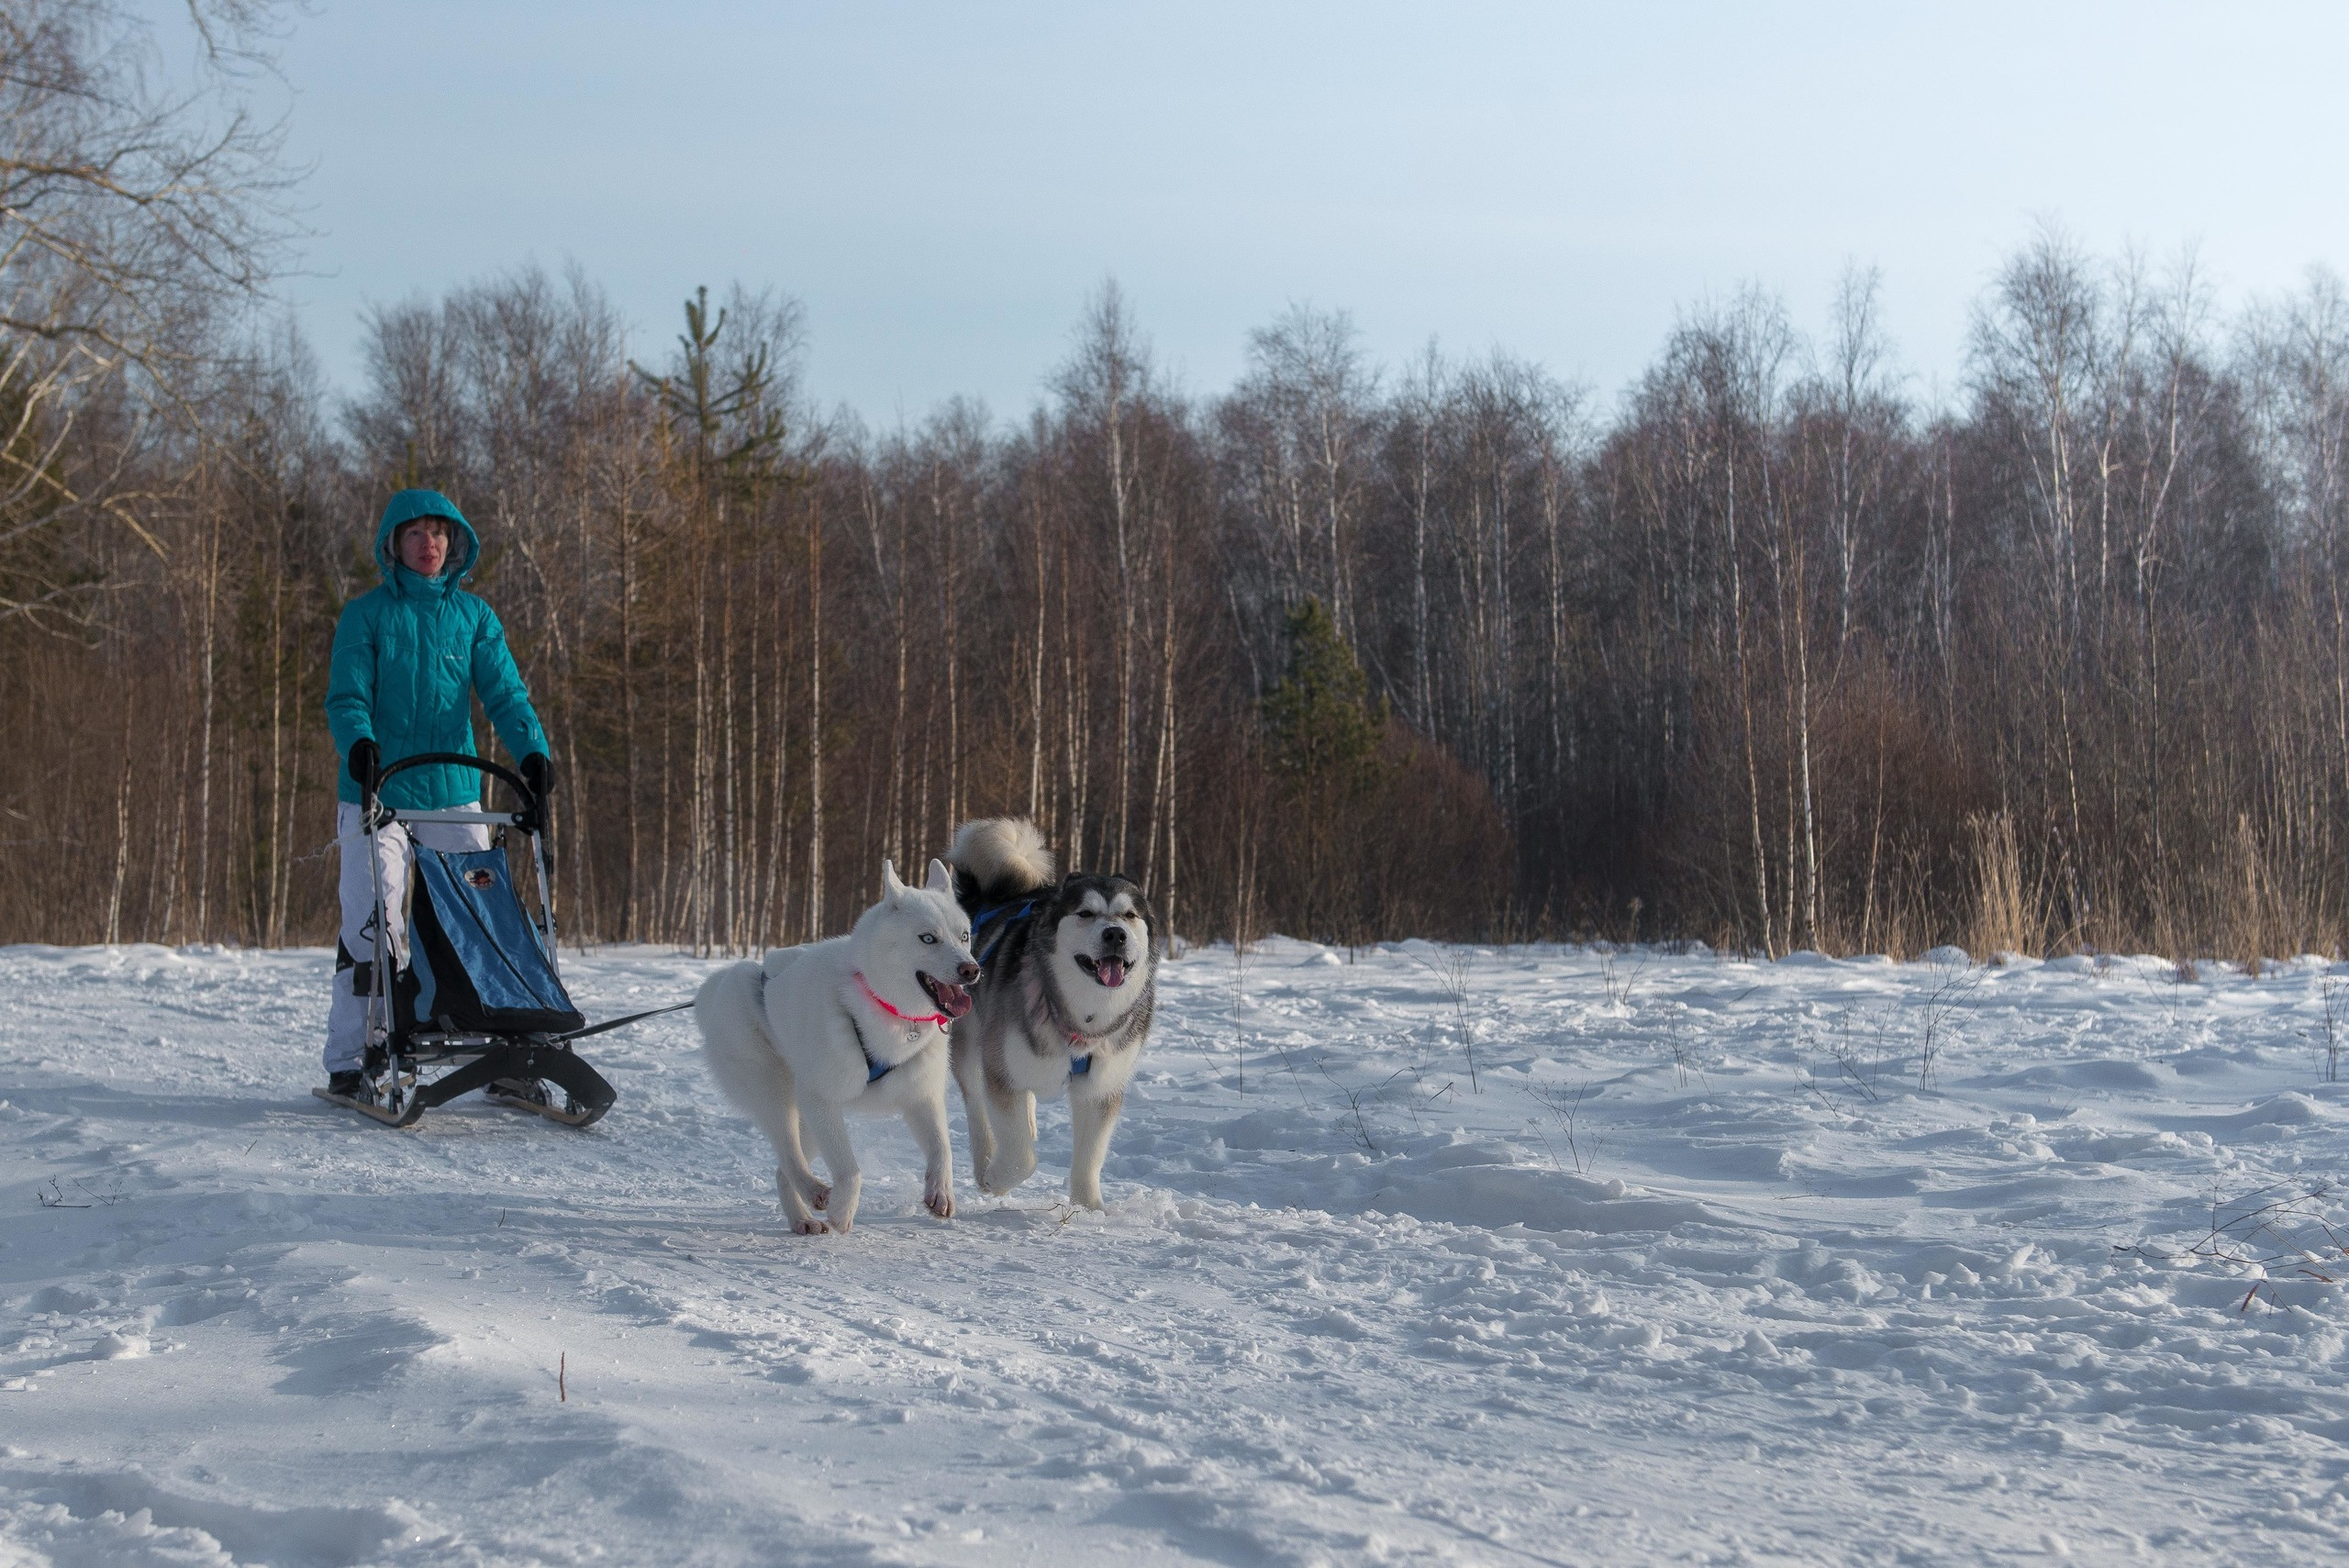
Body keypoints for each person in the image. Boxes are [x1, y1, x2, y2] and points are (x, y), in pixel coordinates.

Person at [321, 488, 553, 1099]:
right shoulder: (365, 615)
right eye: (417, 534)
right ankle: (355, 1053)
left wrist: (533, 753)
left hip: (452, 786)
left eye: (440, 534)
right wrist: (360, 744)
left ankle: (501, 1043)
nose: (430, 545)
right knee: (375, 920)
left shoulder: (473, 617)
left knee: (479, 917)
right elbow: (346, 697)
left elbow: (505, 694)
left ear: (455, 543)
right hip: (378, 788)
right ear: (394, 544)